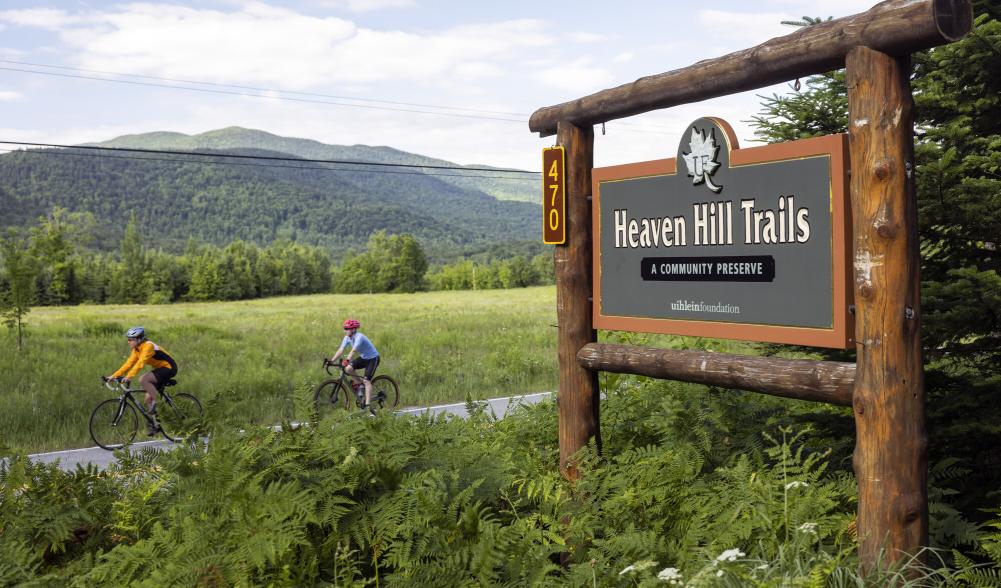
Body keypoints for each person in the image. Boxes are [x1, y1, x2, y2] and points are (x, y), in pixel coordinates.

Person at [106, 326, 178, 435]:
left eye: (131, 339)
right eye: (128, 339)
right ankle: (155, 425)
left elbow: (140, 364)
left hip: (169, 367)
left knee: (144, 379)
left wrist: (128, 377)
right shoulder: (137, 349)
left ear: (139, 339)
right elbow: (128, 364)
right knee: (148, 398)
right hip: (160, 369)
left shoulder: (148, 346)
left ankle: (156, 403)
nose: (128, 341)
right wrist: (114, 376)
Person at [329, 318, 380, 410]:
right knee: (348, 369)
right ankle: (359, 384)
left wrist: (347, 360)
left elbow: (353, 351)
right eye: (345, 328)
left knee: (366, 381)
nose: (345, 331)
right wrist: (331, 361)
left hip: (373, 358)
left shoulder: (359, 337)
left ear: (353, 329)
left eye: (347, 329)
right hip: (364, 358)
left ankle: (368, 405)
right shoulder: (347, 338)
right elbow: (341, 350)